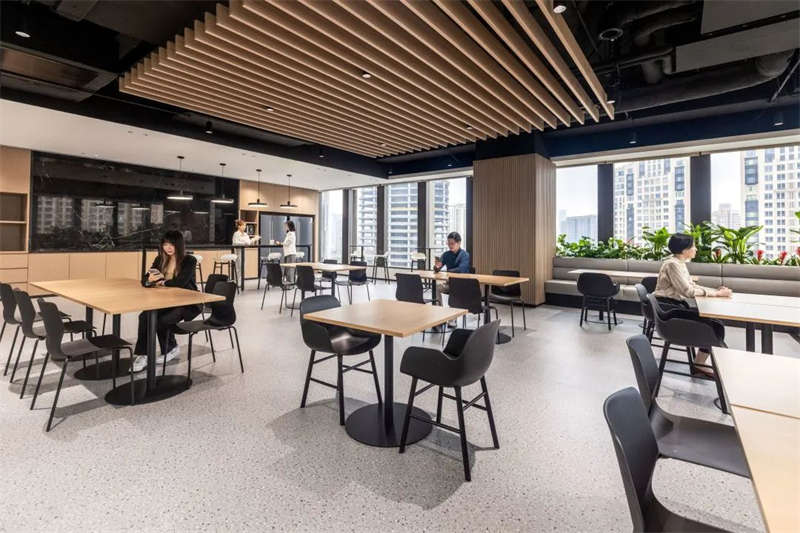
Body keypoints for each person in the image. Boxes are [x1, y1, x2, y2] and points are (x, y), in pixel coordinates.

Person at [654, 233, 732, 376]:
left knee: (716, 323)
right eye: (693, 246)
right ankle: (702, 364)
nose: (696, 249)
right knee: (715, 325)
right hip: (668, 309)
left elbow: (691, 285)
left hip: (675, 305)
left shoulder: (679, 263)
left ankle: (700, 363)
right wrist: (716, 294)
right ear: (684, 250)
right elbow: (688, 291)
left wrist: (716, 292)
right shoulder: (672, 264)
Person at [132, 231, 201, 372]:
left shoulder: (189, 260)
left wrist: (162, 282)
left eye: (172, 244)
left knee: (162, 320)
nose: (168, 248)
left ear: (179, 245)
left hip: (187, 302)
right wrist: (149, 280)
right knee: (145, 316)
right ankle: (143, 355)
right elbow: (145, 279)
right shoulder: (160, 259)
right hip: (166, 300)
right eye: (165, 244)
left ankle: (170, 348)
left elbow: (181, 282)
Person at [433, 231, 470, 303]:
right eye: (448, 243)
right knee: (437, 287)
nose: (450, 246)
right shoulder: (446, 254)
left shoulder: (465, 255)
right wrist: (436, 267)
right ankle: (438, 307)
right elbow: (438, 267)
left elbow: (461, 270)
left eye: (452, 243)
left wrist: (447, 272)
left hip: (462, 284)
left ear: (459, 243)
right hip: (450, 284)